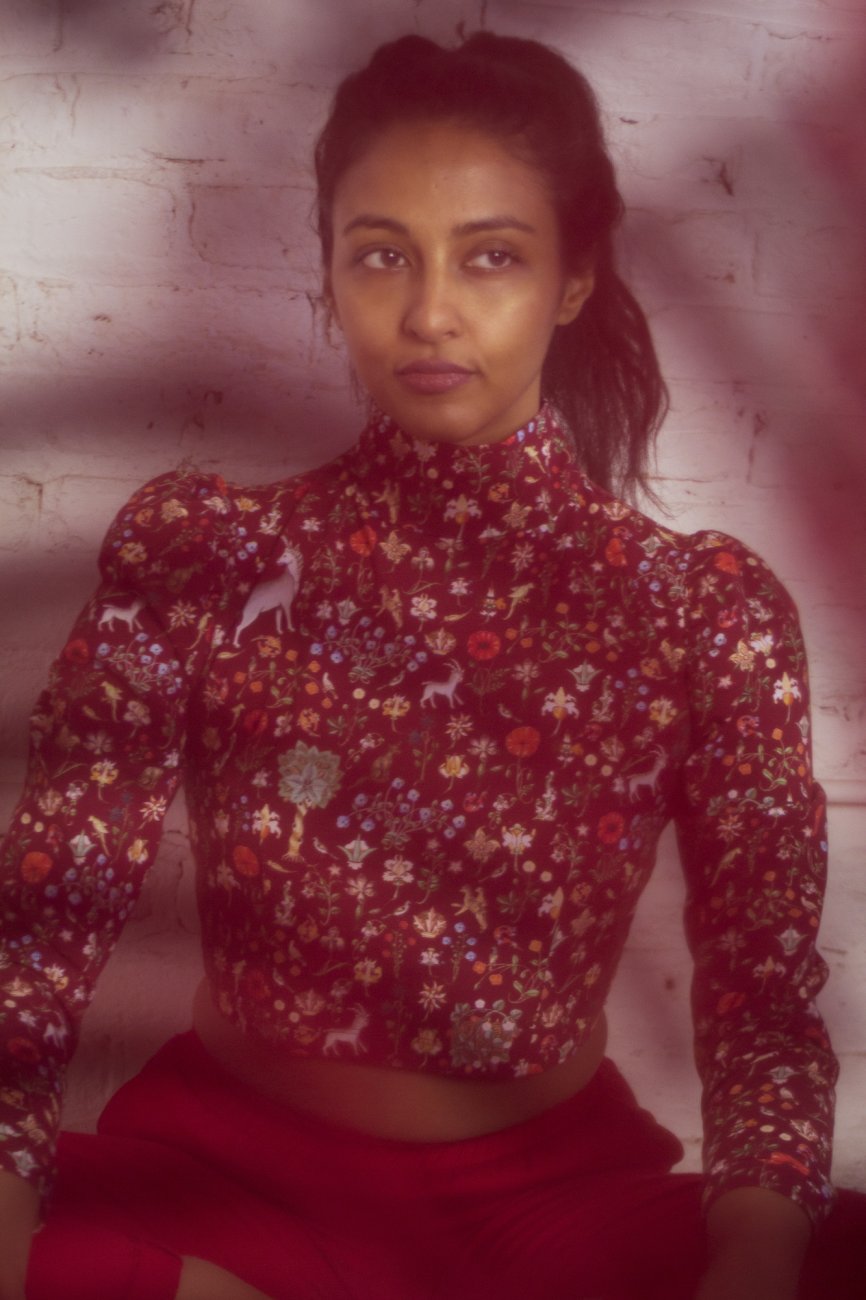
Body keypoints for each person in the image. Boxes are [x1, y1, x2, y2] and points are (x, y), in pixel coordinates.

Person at [0, 29, 863, 1300]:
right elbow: (43, 930)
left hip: (544, 1215)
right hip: (219, 1187)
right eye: (382, 254)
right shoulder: (202, 553)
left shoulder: (699, 610)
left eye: (491, 256)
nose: (429, 313)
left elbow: (761, 997)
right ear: (332, 271)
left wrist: (749, 1258)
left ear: (571, 280)